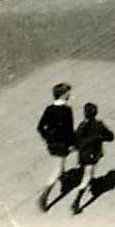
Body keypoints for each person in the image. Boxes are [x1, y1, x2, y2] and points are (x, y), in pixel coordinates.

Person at [68, 102, 114, 214]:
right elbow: (110, 137)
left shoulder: (82, 125)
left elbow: (75, 140)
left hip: (82, 155)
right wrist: (99, 137)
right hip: (92, 154)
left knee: (87, 173)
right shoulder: (99, 125)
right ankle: (76, 201)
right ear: (96, 113)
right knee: (87, 177)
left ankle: (90, 184)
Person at [37, 82, 75, 211]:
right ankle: (45, 194)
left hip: (52, 144)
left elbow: (40, 127)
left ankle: (63, 176)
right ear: (64, 95)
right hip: (63, 144)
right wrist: (72, 145)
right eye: (68, 93)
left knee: (60, 164)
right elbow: (69, 131)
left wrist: (48, 138)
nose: (69, 95)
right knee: (58, 168)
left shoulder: (49, 109)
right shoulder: (67, 110)